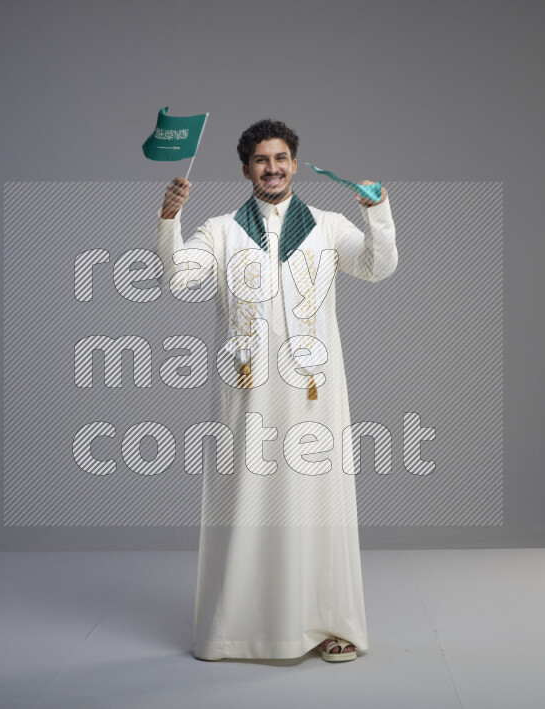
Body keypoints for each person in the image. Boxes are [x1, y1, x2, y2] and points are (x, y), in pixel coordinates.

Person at [155, 119, 398, 662]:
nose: (273, 167)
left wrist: (375, 210)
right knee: (247, 504)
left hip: (315, 394)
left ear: (294, 162)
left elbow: (378, 266)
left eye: (282, 157)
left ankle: (331, 625)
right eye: (262, 160)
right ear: (246, 170)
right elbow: (179, 279)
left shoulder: (329, 226)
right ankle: (237, 630)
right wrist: (169, 219)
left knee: (319, 504)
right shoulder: (221, 230)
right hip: (248, 395)